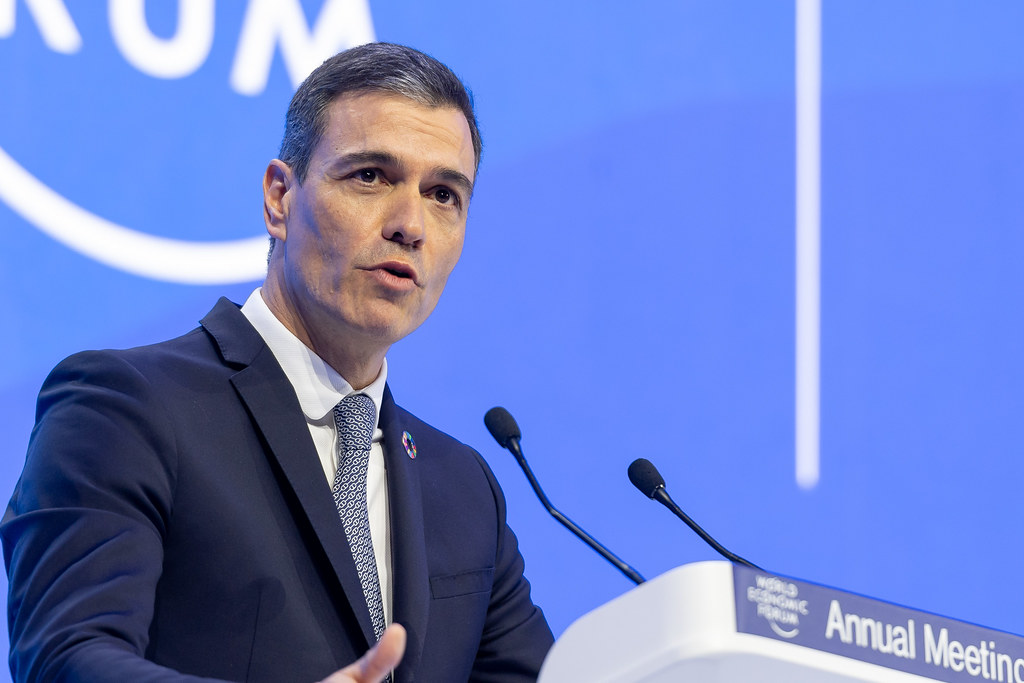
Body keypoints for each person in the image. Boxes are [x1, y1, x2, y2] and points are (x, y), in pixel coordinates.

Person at [1, 43, 553, 682]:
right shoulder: (125, 407)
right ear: (279, 198)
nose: (411, 225)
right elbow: (65, 659)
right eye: (370, 176)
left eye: (443, 194)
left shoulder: (464, 487)